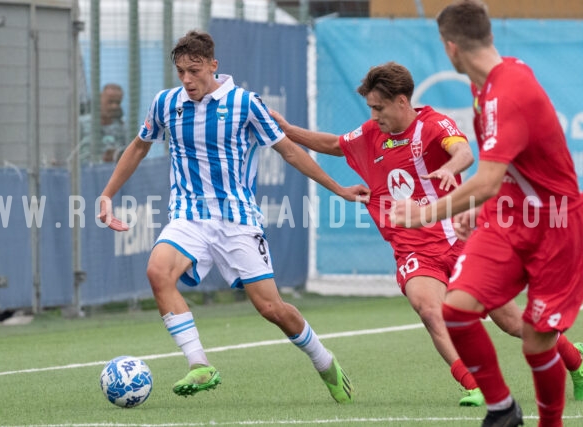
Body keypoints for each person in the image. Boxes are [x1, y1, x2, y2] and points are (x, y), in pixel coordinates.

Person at [97, 30, 371, 403]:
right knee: (157, 272)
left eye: (194, 70)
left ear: (214, 65)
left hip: (238, 222)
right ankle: (199, 364)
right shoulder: (165, 104)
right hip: (188, 216)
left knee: (271, 308)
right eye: (180, 72)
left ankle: (324, 362)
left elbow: (289, 152)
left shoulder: (245, 104)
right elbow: (139, 147)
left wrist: (338, 189)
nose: (188, 80)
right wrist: (108, 194)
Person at [270, 61, 526, 407]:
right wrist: (287, 129)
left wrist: (450, 168)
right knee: (430, 310)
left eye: (379, 107)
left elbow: (463, 152)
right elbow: (333, 143)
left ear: (402, 102)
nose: (373, 115)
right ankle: (475, 383)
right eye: (370, 108)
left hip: (458, 241)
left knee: (511, 321)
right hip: (414, 252)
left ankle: (573, 359)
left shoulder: (434, 125)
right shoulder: (370, 135)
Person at [391, 1, 583, 425]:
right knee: (457, 310)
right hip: (508, 220)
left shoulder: (510, 91)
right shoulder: (485, 88)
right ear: (488, 37)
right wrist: (477, 209)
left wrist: (424, 213)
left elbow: (489, 179)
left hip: (555, 226)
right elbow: (500, 175)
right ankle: (502, 409)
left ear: (450, 49)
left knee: (535, 341)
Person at [79, 82, 127, 163]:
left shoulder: (122, 127)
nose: (114, 106)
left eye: (117, 103)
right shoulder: (82, 124)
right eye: (110, 102)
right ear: (100, 100)